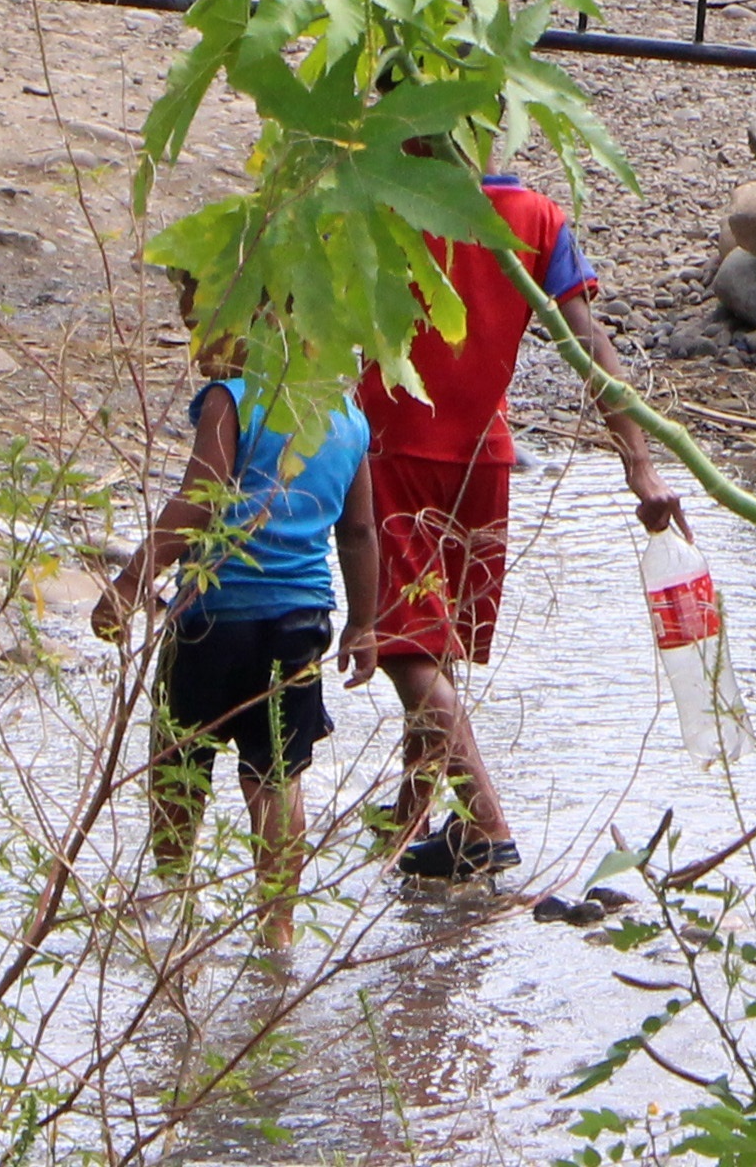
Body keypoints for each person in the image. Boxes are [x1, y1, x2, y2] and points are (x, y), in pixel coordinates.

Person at [357, 140, 692, 880]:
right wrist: (639, 464)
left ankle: (485, 825)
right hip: (486, 458)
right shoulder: (538, 218)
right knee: (432, 642)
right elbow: (589, 343)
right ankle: (412, 813)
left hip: (397, 446)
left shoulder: (386, 197)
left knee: (407, 652)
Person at [95, 293, 384, 943]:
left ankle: (170, 896)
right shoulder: (345, 415)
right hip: (301, 621)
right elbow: (360, 532)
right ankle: (278, 928)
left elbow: (197, 499)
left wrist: (130, 582)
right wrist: (364, 624)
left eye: (204, 329)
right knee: (277, 777)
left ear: (255, 330)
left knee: (179, 756)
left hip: (214, 617)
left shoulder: (231, 400)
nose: (198, 348)